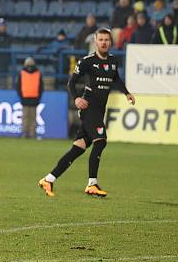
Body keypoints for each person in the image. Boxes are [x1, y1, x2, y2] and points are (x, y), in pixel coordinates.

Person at [38, 29, 135, 198]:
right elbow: (71, 82)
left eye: (107, 40)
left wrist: (126, 93)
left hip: (99, 110)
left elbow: (116, 79)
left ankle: (48, 179)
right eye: (101, 39)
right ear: (95, 42)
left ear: (110, 42)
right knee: (100, 141)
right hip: (89, 109)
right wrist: (76, 99)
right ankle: (92, 184)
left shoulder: (113, 61)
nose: (104, 42)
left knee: (78, 148)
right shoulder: (87, 62)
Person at [16, 57, 43, 139]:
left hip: (26, 98)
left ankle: (25, 134)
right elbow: (41, 87)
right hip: (34, 98)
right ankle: (32, 134)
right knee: (32, 118)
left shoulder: (22, 72)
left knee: (25, 118)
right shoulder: (38, 73)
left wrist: (21, 96)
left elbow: (18, 87)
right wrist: (38, 97)